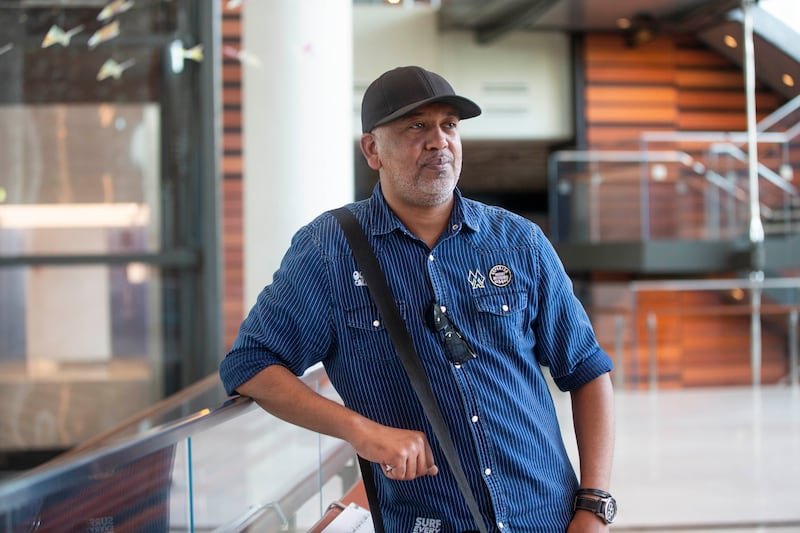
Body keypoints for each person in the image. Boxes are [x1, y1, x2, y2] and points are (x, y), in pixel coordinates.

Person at [220, 65, 616, 533]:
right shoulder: (329, 250)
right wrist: (361, 432)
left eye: (449, 125)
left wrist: (593, 507)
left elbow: (587, 371)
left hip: (546, 514)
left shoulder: (519, 242)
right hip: (427, 520)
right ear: (373, 150)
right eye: (416, 126)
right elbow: (250, 365)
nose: (438, 141)